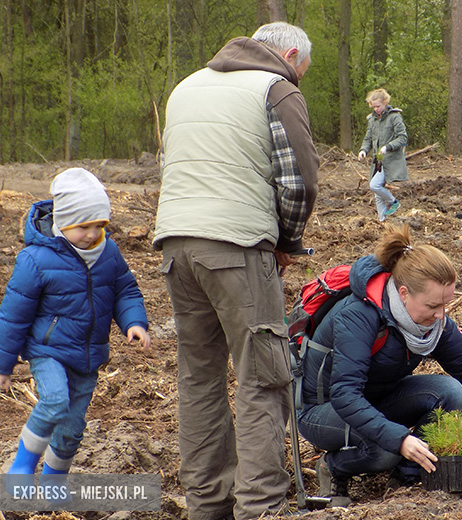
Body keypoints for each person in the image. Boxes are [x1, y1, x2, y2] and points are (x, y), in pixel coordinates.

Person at [153, 22, 319, 520]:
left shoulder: (186, 86)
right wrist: (286, 240)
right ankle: (259, 507)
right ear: (290, 54)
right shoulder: (276, 87)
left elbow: (172, 165)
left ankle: (207, 506)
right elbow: (300, 182)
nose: (300, 78)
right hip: (238, 245)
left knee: (199, 379)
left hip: (176, 245)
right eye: (302, 70)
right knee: (263, 377)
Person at [297, 224, 462, 506]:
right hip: (324, 410)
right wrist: (399, 440)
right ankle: (334, 466)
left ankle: (405, 477)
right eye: (433, 305)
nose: (441, 315)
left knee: (450, 392)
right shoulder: (359, 316)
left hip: (374, 400)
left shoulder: (432, 323)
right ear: (403, 293)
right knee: (386, 447)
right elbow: (345, 395)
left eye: (445, 304)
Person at [0, 168, 150, 478]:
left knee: (71, 430)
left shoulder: (108, 252)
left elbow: (125, 290)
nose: (93, 234)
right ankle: (23, 464)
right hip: (48, 350)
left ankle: (54, 483)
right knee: (55, 402)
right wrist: (3, 366)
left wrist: (134, 321)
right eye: (84, 226)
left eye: (100, 225)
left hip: (89, 355)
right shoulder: (36, 259)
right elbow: (13, 316)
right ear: (63, 222)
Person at [357, 89, 408, 222]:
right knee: (377, 194)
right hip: (378, 160)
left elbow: (402, 137)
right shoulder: (372, 120)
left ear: (385, 103)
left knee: (374, 185)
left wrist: (388, 147)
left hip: (391, 160)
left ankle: (393, 201)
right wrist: (363, 150)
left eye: (378, 106)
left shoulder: (394, 117)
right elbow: (368, 138)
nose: (376, 109)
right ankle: (382, 221)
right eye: (373, 106)